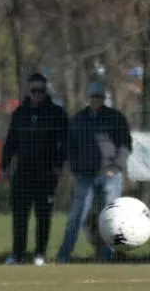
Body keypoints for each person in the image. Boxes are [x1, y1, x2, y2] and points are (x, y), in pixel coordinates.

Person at [56, 82, 132, 263]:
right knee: (76, 217)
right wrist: (75, 168)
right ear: (88, 99)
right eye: (93, 97)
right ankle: (64, 255)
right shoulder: (78, 119)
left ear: (104, 98)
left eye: (99, 97)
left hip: (109, 176)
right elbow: (69, 146)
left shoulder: (115, 118)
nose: (96, 100)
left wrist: (116, 167)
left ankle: (107, 255)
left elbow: (125, 145)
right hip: (84, 176)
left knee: (110, 218)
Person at [0, 72, 68, 266]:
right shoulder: (19, 114)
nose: (38, 94)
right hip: (22, 173)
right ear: (29, 91)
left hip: (46, 173)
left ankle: (39, 254)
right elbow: (10, 142)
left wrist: (59, 165)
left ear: (46, 90)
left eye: (41, 90)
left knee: (43, 216)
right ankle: (17, 253)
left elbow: (65, 143)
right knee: (20, 215)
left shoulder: (56, 114)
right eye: (34, 90)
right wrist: (3, 167)